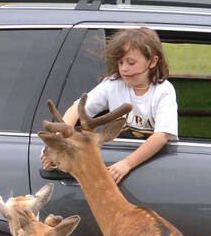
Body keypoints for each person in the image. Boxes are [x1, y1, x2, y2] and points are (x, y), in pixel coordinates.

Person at [47, 26, 178, 184]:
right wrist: (58, 141)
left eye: (131, 63)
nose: (124, 68)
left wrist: (127, 163)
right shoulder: (113, 84)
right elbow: (77, 109)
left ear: (152, 61)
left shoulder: (164, 91)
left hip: (155, 170)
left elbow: (161, 136)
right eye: (120, 62)